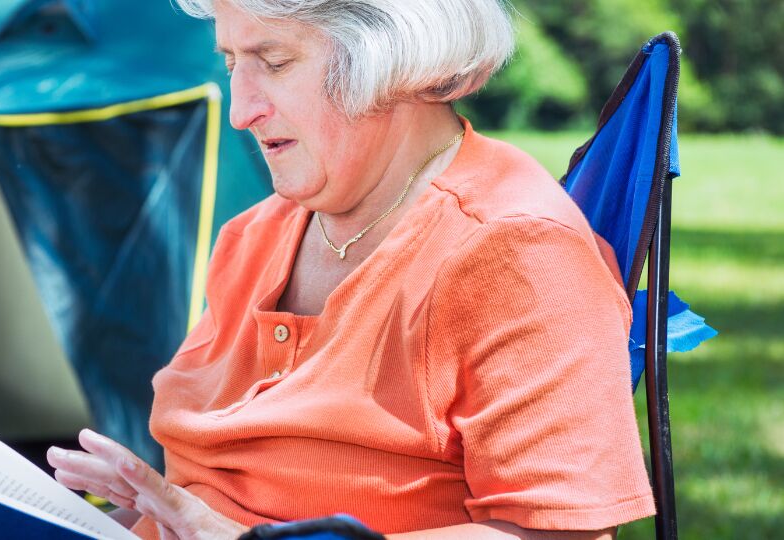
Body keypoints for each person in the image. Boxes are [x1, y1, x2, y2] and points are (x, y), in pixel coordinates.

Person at [47, 1, 656, 538]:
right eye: (232, 62)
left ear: (388, 57)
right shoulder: (253, 237)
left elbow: (561, 537)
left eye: (274, 62)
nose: (240, 111)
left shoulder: (514, 251)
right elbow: (199, 499)